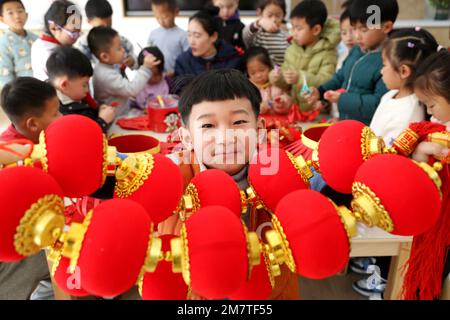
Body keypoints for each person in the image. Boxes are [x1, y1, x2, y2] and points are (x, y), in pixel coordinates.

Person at [158, 69, 300, 300]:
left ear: (259, 129)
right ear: (186, 138)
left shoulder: (284, 172)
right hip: (197, 293)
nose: (225, 137)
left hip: (268, 292)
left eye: (239, 122)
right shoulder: (169, 177)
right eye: (207, 126)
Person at [307, 0, 399, 125]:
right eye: (354, 28)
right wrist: (320, 91)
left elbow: (378, 103)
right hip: (346, 122)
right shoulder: (357, 49)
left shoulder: (389, 61)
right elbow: (340, 76)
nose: (356, 36)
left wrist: (342, 99)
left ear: (386, 27)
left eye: (364, 29)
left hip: (367, 132)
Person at [370, 28, 439, 147]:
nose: (381, 71)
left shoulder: (407, 115)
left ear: (403, 71)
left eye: (384, 64)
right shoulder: (391, 94)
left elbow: (389, 156)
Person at [269, 0, 341, 111]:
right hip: (295, 112)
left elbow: (327, 81)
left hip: (317, 113)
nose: (294, 32)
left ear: (316, 29)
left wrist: (300, 77)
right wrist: (278, 78)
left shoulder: (328, 52)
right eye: (292, 27)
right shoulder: (292, 49)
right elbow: (287, 85)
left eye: (299, 28)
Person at [88, 26, 161, 116]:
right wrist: (146, 68)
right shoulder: (105, 75)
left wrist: (130, 63)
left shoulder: (106, 66)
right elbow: (131, 89)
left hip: (121, 112)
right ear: (105, 57)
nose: (123, 50)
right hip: (114, 120)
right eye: (119, 48)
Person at [46, 46, 116, 133]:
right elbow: (83, 137)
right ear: (64, 84)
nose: (87, 90)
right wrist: (102, 121)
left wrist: (99, 110)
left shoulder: (71, 94)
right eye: (84, 85)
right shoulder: (58, 112)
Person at [174, 8, 242, 78]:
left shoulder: (232, 59)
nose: (191, 42)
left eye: (197, 35)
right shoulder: (183, 62)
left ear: (213, 36)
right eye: (189, 35)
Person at [75, 0, 137, 69]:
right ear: (89, 21)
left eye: (109, 26)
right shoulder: (83, 44)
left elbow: (136, 62)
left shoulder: (120, 40)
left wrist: (132, 62)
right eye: (101, 27)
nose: (106, 31)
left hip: (119, 78)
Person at [31, 0, 82, 81]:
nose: (77, 37)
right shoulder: (50, 53)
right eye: (73, 33)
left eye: (79, 32)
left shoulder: (44, 43)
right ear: (54, 28)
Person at [0, 0, 37, 88]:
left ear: (26, 15)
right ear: (2, 19)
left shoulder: (36, 39)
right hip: (22, 91)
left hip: (43, 87)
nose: (17, 16)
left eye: (20, 11)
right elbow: (5, 75)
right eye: (10, 13)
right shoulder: (3, 43)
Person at [243, 46, 291, 115]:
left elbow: (289, 99)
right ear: (247, 73)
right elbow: (244, 106)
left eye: (262, 70)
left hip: (281, 121)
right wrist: (257, 108)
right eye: (253, 73)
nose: (258, 75)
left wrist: (282, 103)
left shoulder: (277, 82)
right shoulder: (248, 89)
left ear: (270, 66)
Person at [147, 0, 189, 77]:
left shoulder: (183, 35)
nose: (161, 21)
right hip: (158, 78)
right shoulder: (153, 34)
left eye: (165, 17)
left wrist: (175, 71)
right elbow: (148, 55)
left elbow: (188, 59)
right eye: (157, 18)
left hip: (177, 78)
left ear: (176, 12)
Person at [242, 0, 289, 66]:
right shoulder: (257, 34)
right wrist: (259, 23)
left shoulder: (286, 36)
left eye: (278, 16)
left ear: (284, 15)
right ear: (259, 13)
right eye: (269, 15)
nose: (274, 19)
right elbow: (245, 35)